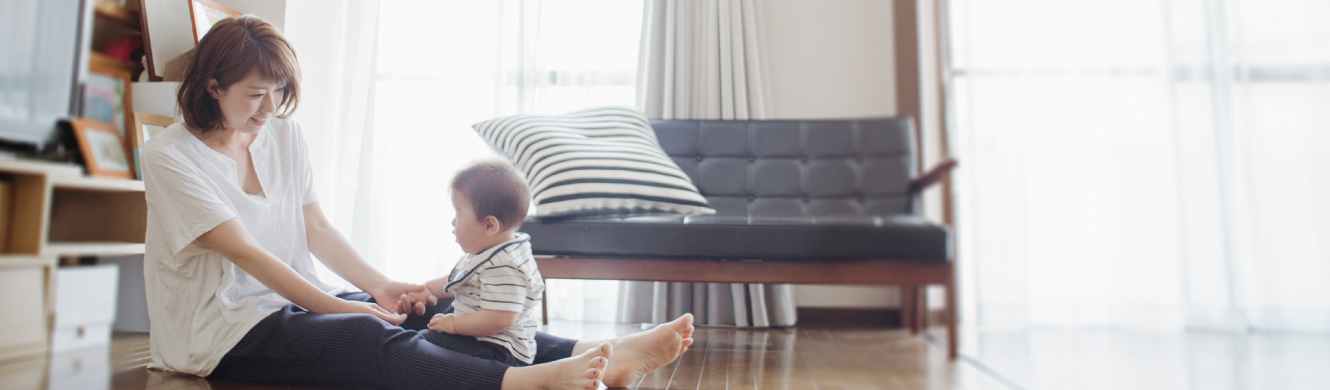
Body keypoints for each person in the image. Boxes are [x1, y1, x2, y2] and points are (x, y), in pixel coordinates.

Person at [141, 15, 693, 390]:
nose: (270, 108)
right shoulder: (171, 157)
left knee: (435, 308)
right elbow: (251, 257)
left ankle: (601, 350)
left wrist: (381, 288)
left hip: (293, 301)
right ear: (213, 86)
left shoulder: (283, 135)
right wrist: (350, 308)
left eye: (280, 92)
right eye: (255, 95)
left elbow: (318, 230)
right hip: (222, 333)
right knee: (365, 334)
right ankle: (525, 381)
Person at [420, 160, 543, 366]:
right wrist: (425, 289)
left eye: (458, 213)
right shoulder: (492, 248)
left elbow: (500, 318)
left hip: (499, 351)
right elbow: (462, 280)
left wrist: (456, 325)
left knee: (424, 344)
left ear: (489, 225)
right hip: (483, 340)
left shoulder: (505, 265)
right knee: (429, 331)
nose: (453, 222)